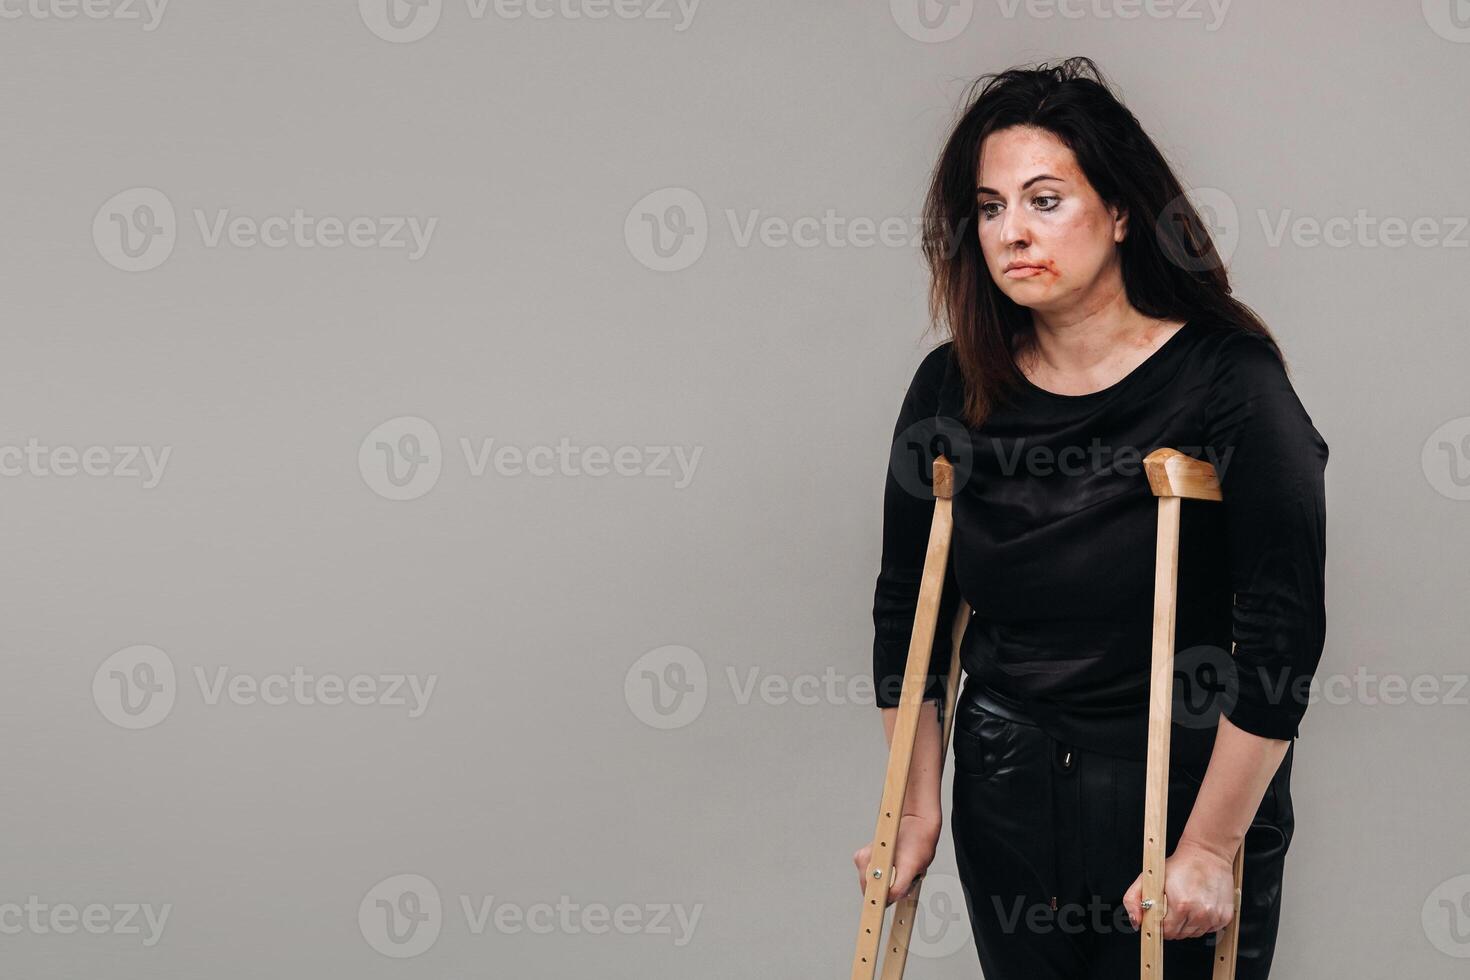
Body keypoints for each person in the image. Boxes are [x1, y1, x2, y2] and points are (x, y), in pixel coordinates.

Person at [853, 57, 1328, 979]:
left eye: (1043, 200)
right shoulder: (953, 386)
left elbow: (1281, 630)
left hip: (1176, 781)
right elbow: (905, 606)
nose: (1011, 233)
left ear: (1118, 214)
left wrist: (1211, 847)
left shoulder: (1228, 381)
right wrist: (912, 811)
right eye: (990, 209)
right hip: (1007, 779)